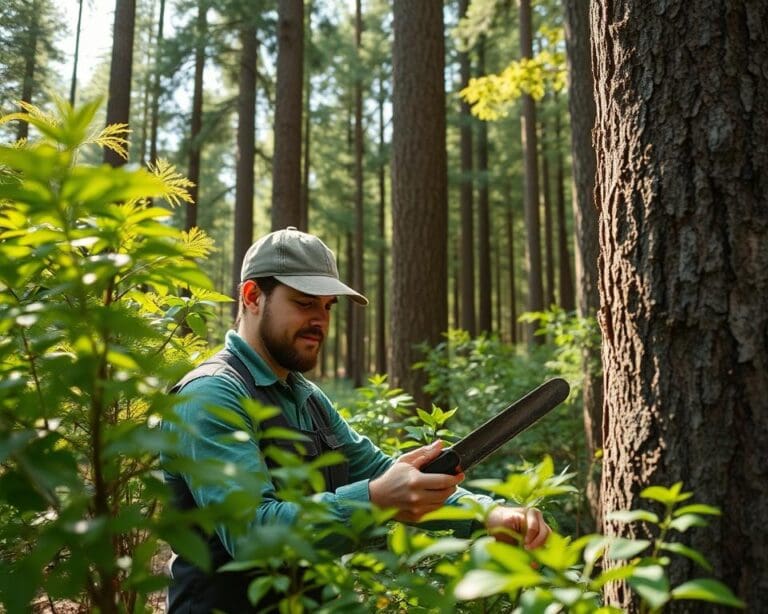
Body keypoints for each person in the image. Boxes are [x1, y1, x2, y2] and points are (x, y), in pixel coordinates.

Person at [162, 226, 551, 612]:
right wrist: (374, 499)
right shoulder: (211, 394)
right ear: (252, 296)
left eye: (327, 306)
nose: (320, 320)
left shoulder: (307, 399)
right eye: (304, 302)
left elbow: (381, 470)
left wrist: (489, 514)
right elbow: (254, 535)